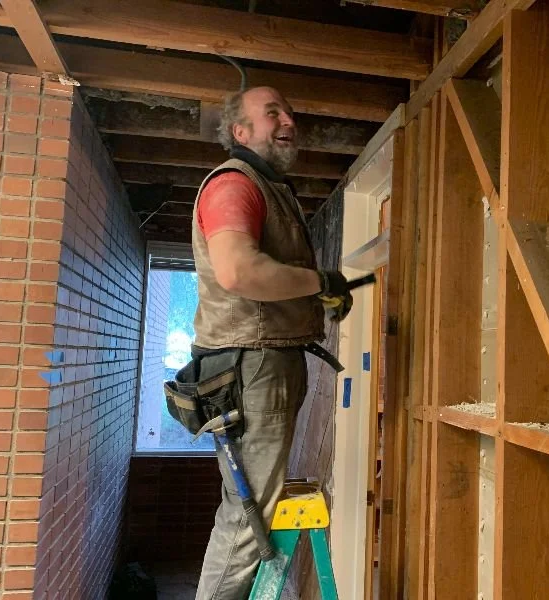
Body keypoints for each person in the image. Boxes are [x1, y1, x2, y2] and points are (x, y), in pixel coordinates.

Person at [192, 86, 352, 599]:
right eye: (272, 113)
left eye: (290, 109)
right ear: (240, 132)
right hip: (253, 366)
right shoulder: (235, 184)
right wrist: (318, 282)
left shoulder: (268, 187)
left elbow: (268, 283)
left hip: (262, 361)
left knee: (250, 512)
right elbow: (239, 271)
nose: (289, 118)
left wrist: (314, 300)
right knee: (248, 521)